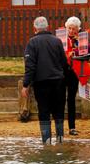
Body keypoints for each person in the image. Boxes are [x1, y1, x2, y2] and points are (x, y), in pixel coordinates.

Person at [21, 16, 69, 145]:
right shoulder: (57, 41)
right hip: (58, 81)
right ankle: (60, 140)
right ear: (48, 27)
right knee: (59, 110)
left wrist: (26, 84)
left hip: (42, 82)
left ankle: (46, 142)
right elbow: (64, 63)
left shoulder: (32, 42)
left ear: (35, 28)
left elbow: (30, 66)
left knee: (44, 110)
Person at [64, 16, 90, 136]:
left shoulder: (82, 38)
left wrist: (77, 43)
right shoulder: (61, 38)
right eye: (69, 28)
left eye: (74, 29)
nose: (71, 31)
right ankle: (59, 125)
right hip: (62, 70)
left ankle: (72, 127)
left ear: (78, 29)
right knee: (59, 98)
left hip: (75, 71)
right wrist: (67, 54)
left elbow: (84, 53)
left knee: (71, 98)